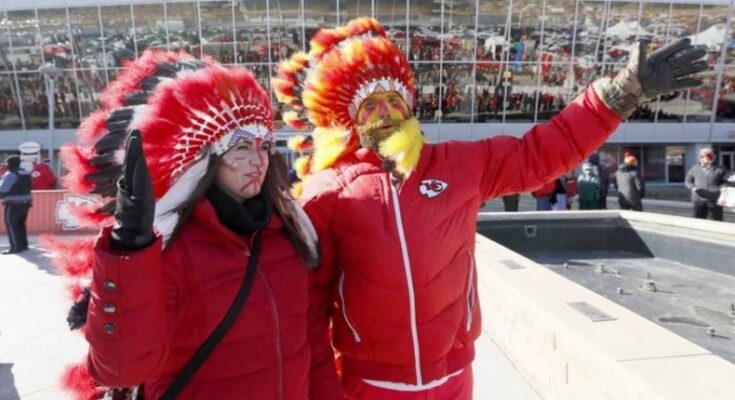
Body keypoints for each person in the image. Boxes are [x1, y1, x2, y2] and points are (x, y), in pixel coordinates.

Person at [272, 17, 706, 399]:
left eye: (394, 99)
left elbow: (543, 151)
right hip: (370, 386)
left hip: (455, 377)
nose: (386, 112)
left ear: (410, 103)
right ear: (351, 119)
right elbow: (308, 314)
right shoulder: (326, 194)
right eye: (370, 105)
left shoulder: (460, 164)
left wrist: (615, 97)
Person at [55, 52, 341, 400]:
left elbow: (315, 349)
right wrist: (129, 250)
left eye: (263, 146)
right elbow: (120, 368)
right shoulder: (172, 250)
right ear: (205, 159)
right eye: (240, 148)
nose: (257, 161)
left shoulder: (289, 237)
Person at [0, 155, 32, 254]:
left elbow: (3, 188)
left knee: (12, 225)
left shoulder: (10, 174)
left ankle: (15, 247)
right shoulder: (25, 172)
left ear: (10, 164)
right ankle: (23, 245)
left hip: (13, 203)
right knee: (21, 224)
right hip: (26, 203)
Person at [685, 148, 728, 221]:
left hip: (715, 200)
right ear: (699, 158)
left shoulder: (720, 169)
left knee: (717, 221)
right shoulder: (694, 168)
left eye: (709, 156)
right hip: (698, 199)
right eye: (703, 156)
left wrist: (722, 190)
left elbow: (725, 182)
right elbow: (688, 181)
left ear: (714, 157)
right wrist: (694, 189)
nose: (706, 158)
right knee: (699, 221)